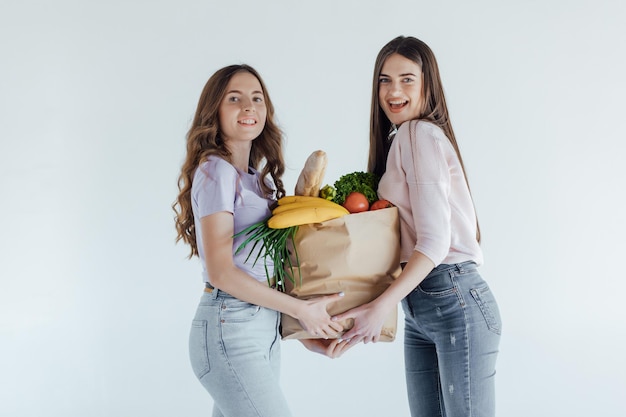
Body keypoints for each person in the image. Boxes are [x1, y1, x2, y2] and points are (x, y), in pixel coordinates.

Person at [333, 36, 502, 417]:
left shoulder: (419, 134)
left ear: (428, 84)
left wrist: (380, 307)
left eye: (407, 79)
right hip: (423, 306)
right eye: (384, 80)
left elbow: (436, 242)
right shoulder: (401, 138)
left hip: (454, 297)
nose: (394, 91)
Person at [173, 64, 349, 417]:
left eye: (257, 98)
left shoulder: (257, 180)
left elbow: (262, 270)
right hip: (230, 329)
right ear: (214, 111)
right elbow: (222, 272)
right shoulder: (215, 171)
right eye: (234, 99)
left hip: (260, 329)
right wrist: (301, 310)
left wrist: (300, 329)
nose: (248, 107)